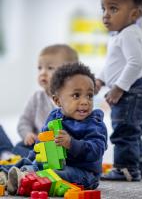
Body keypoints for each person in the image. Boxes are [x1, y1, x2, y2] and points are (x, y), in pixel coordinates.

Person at [1, 63, 107, 194]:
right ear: (57, 101)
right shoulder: (54, 117)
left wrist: (71, 144)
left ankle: (24, 179)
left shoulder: (94, 122)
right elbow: (41, 145)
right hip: (52, 163)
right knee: (32, 162)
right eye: (76, 95)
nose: (85, 101)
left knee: (57, 174)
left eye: (89, 96)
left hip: (83, 172)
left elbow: (97, 150)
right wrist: (30, 160)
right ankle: (9, 174)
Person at [95, 0, 142, 181]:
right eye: (103, 8)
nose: (106, 14)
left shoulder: (128, 34)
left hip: (134, 92)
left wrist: (118, 88)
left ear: (134, 14)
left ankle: (126, 168)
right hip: (140, 91)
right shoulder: (120, 34)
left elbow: (135, 63)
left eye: (113, 9)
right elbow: (112, 64)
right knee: (132, 129)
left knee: (124, 129)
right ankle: (138, 165)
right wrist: (100, 79)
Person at [0, 44, 79, 159]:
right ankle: (9, 155)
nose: (43, 72)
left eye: (50, 68)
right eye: (40, 68)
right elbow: (24, 122)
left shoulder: (73, 100)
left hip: (59, 149)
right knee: (19, 147)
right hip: (37, 147)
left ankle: (22, 160)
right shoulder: (36, 98)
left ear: (70, 74)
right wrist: (27, 134)